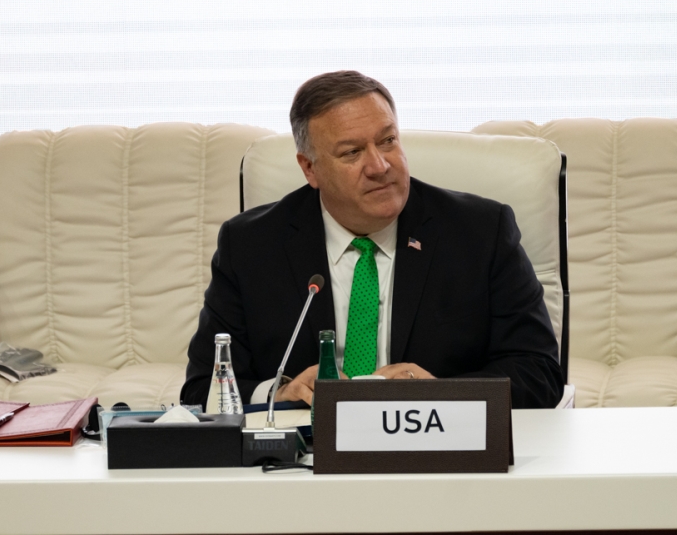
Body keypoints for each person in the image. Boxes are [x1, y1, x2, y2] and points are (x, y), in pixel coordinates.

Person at [180, 71, 562, 409]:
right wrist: (279, 395)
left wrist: (443, 394)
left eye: (388, 141)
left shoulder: (480, 232)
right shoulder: (250, 246)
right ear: (310, 168)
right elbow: (201, 389)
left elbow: (541, 373)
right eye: (352, 152)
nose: (379, 166)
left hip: (437, 454)